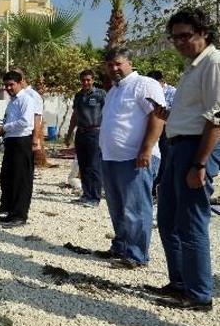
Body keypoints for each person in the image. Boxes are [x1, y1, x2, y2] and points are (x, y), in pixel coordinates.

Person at [150, 8, 220, 311]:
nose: (179, 42)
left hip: (196, 149)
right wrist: (169, 115)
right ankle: (180, 283)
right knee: (167, 220)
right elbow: (194, 111)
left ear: (204, 32)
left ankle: (200, 295)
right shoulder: (193, 66)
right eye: (174, 37)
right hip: (178, 148)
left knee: (191, 223)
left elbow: (217, 118)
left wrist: (200, 164)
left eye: (185, 36)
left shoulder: (213, 63)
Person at [98, 48, 165, 269]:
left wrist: (146, 149)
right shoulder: (113, 91)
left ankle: (137, 255)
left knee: (135, 208)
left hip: (136, 158)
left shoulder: (145, 84)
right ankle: (121, 246)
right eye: (110, 65)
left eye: (118, 63)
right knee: (117, 206)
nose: (114, 68)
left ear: (130, 62)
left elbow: (157, 116)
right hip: (112, 158)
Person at [0, 71, 35, 227]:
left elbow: (25, 122)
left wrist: (4, 128)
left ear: (20, 83)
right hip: (11, 142)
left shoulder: (26, 100)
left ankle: (20, 215)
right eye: (6, 85)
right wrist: (1, 130)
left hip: (21, 142)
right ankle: (10, 211)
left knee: (21, 179)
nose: (9, 88)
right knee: (8, 178)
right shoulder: (12, 101)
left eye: (11, 84)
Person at [64, 69, 106, 206]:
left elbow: (108, 113)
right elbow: (75, 116)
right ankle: (86, 194)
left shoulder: (100, 94)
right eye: (83, 80)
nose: (85, 82)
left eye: (88, 80)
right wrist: (69, 134)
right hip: (81, 133)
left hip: (95, 133)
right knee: (83, 166)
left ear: (93, 80)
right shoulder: (78, 96)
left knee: (94, 166)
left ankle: (95, 197)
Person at [146, 70, 176, 199]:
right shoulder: (149, 91)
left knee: (167, 158)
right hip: (155, 126)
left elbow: (174, 113)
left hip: (169, 129)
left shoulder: (173, 93)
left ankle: (160, 188)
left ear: (162, 81)